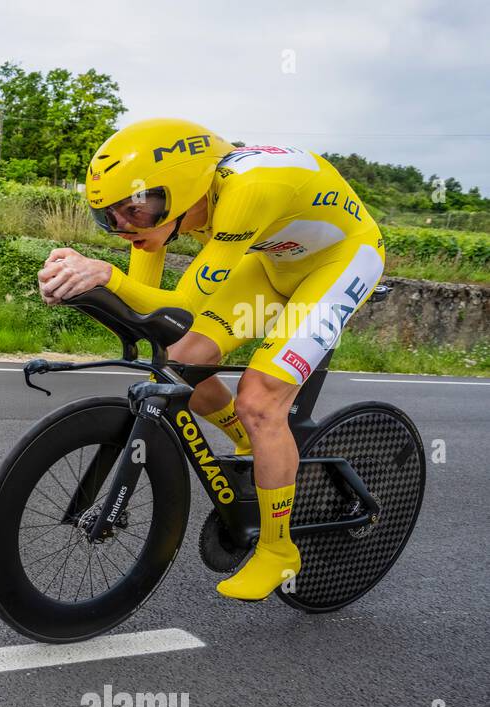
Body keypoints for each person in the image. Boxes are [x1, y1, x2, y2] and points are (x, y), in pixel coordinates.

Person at [37, 118, 385, 601]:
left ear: (179, 191)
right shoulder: (186, 207)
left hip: (342, 259)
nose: (123, 228)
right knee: (177, 361)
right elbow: (156, 315)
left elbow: (184, 303)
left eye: (134, 211)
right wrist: (83, 288)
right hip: (272, 264)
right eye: (109, 217)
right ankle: (251, 441)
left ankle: (279, 550)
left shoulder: (246, 193)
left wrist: (105, 275)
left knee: (261, 400)